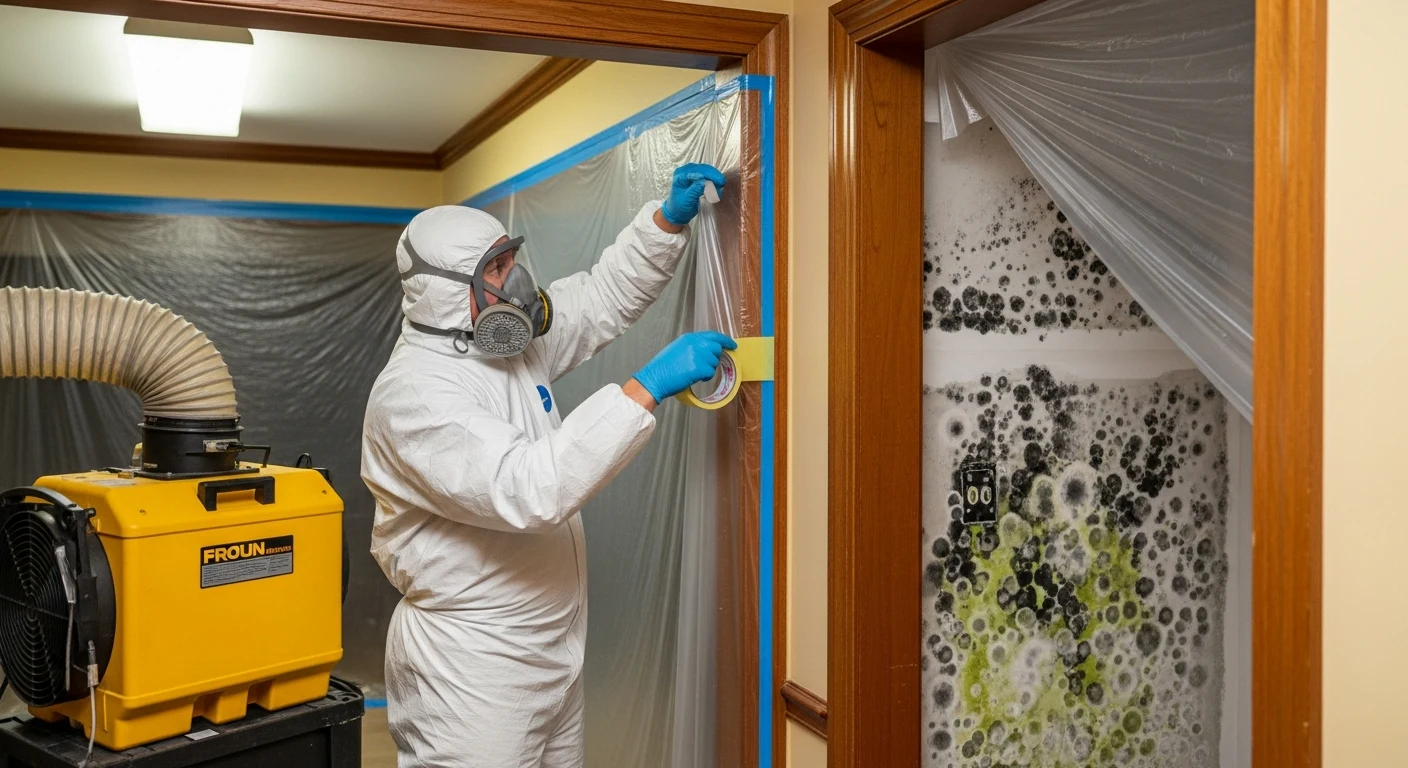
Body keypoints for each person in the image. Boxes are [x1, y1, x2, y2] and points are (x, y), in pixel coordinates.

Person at [361, 163, 731, 767]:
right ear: (450, 289)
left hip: (550, 647)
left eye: (510, 260)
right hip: (473, 667)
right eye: (496, 270)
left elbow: (598, 301)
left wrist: (664, 224)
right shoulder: (415, 396)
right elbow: (531, 487)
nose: (517, 281)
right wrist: (646, 387)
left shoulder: (498, 348)